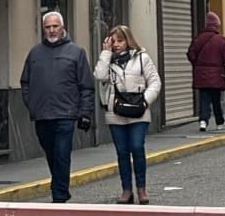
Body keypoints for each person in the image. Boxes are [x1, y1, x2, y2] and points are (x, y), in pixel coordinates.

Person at [19, 11, 95, 204]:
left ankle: (59, 194)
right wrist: (31, 103)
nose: (52, 30)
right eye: (48, 27)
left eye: (55, 26)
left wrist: (84, 112)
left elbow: (86, 85)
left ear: (63, 28)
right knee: (51, 153)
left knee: (62, 154)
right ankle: (60, 186)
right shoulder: (35, 53)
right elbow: (25, 82)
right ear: (43, 29)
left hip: (66, 114)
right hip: (42, 115)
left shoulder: (76, 52)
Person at [93, 25, 161, 205]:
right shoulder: (107, 61)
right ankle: (126, 190)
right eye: (113, 41)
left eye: (120, 40)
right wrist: (105, 53)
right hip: (116, 112)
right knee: (122, 152)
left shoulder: (142, 58)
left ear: (128, 40)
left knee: (137, 147)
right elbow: (99, 76)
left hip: (139, 111)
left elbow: (155, 82)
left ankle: (141, 189)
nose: (116, 45)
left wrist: (145, 101)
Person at [187, 12, 225, 132]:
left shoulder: (198, 39)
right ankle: (220, 122)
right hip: (217, 74)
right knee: (216, 99)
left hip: (202, 74)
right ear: (216, 26)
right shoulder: (221, 40)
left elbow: (190, 54)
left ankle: (203, 121)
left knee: (204, 97)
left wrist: (198, 65)